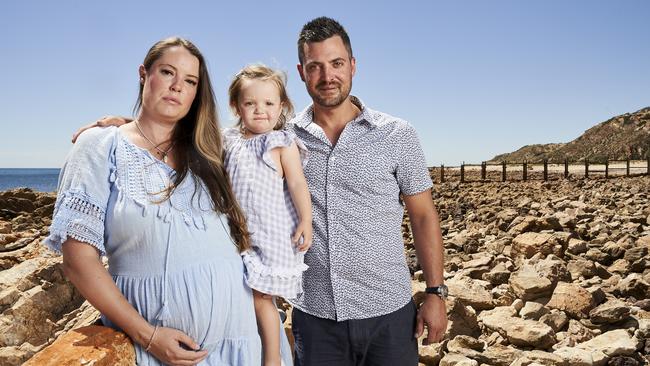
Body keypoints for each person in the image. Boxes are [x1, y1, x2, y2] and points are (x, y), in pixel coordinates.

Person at [46, 37, 263, 365]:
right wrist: (147, 335)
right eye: (167, 72)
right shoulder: (99, 146)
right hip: (157, 349)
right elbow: (77, 261)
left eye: (190, 81)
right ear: (143, 74)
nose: (178, 87)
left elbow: (274, 139)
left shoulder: (210, 151)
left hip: (241, 340)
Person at [286, 17, 448, 366]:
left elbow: (422, 216)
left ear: (353, 66)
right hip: (315, 318)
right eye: (315, 66)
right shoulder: (283, 139)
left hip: (389, 316)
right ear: (301, 71)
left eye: (337, 63)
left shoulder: (397, 134)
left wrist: (435, 292)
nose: (328, 76)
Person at [224, 64, 312, 366]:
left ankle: (272, 357)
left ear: (282, 106)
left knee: (263, 298)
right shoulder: (229, 140)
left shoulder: (281, 142)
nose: (260, 110)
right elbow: (188, 140)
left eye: (269, 103)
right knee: (239, 294)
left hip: (272, 231)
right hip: (236, 232)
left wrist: (306, 219)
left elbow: (298, 183)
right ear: (236, 106)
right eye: (250, 103)